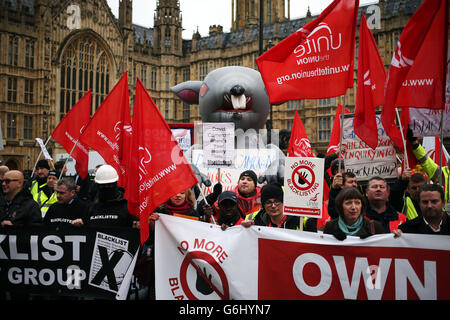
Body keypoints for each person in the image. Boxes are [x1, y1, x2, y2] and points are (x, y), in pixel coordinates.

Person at [73, 164, 138, 228]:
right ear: (97, 186)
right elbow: (86, 226)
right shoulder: (92, 207)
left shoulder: (128, 207)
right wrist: (80, 224)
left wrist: (137, 226)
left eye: (110, 185)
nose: (106, 188)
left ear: (115, 184)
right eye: (103, 185)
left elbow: (136, 227)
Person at [245, 183, 316, 231]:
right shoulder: (254, 219)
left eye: (277, 201)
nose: (273, 206)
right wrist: (243, 227)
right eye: (268, 202)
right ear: (263, 205)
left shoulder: (302, 221)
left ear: (283, 202)